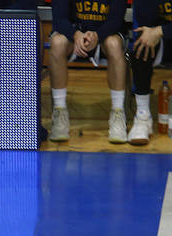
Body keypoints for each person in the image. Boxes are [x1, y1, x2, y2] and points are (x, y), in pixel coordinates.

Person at [48, 0, 129, 143]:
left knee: (114, 44)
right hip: (74, 35)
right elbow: (59, 19)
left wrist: (98, 35)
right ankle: (59, 112)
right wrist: (76, 35)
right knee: (57, 43)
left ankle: (118, 113)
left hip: (106, 34)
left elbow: (116, 20)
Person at [127, 0, 172, 144]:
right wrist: (158, 32)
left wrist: (162, 30)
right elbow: (146, 22)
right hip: (160, 40)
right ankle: (143, 116)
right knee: (141, 43)